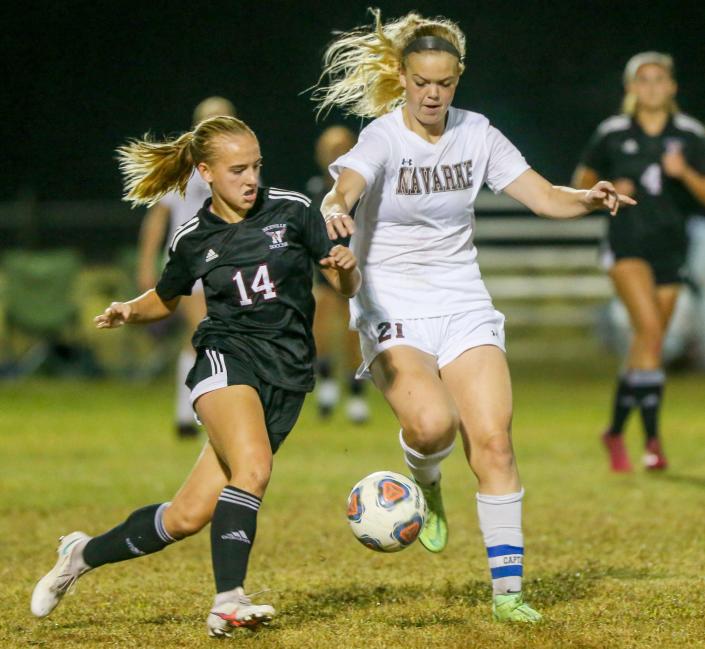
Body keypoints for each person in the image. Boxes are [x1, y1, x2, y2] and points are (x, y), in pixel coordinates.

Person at [313, 9, 634, 622]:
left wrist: (587, 198)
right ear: (403, 79)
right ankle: (428, 485)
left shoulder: (478, 133)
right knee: (433, 427)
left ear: (456, 78)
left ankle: (508, 593)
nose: (432, 94)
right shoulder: (383, 137)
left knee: (492, 440)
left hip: (462, 301)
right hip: (391, 303)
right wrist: (335, 207)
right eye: (420, 82)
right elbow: (345, 186)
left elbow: (542, 197)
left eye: (443, 83)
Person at [30, 116, 361, 637]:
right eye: (237, 170)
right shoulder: (194, 237)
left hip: (287, 374)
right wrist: (127, 311)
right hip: (226, 359)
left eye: (256, 166)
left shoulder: (294, 210)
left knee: (185, 517)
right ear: (205, 172)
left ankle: (80, 554)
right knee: (252, 468)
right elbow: (165, 297)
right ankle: (228, 599)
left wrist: (344, 266)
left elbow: (344, 283)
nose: (251, 178)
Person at [573, 52, 705, 472]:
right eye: (642, 80)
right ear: (630, 88)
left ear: (672, 87)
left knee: (646, 347)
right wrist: (604, 189)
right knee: (650, 333)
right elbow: (580, 184)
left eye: (658, 79)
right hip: (625, 245)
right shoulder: (612, 133)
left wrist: (683, 173)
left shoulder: (689, 134)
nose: (651, 87)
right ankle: (652, 440)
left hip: (671, 249)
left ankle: (613, 430)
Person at [136, 96, 236, 438]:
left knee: (206, 338)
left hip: (227, 260)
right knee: (205, 332)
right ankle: (196, 414)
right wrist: (147, 262)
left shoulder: (240, 162)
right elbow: (158, 215)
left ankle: (188, 414)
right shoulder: (184, 162)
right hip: (190, 259)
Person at [306, 126, 370, 423]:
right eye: (331, 149)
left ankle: (357, 395)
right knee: (319, 332)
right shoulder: (316, 189)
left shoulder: (361, 187)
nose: (336, 154)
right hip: (324, 271)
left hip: (356, 270)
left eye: (342, 147)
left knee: (352, 336)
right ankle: (327, 384)